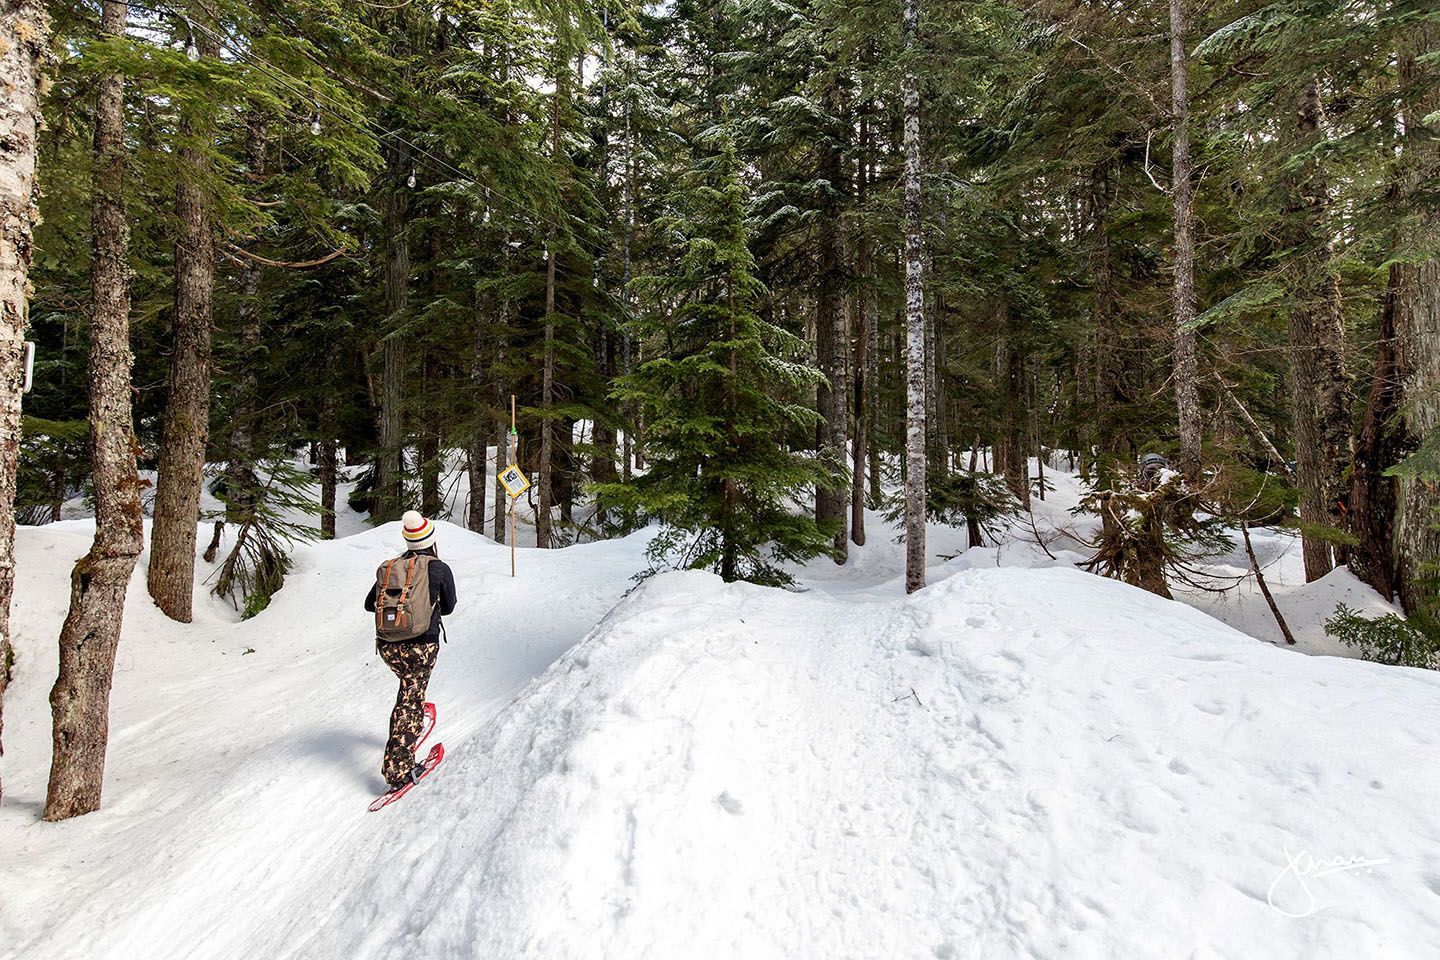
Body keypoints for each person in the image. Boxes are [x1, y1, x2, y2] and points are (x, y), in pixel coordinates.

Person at [364, 510, 458, 789]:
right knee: (410, 698)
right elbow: (450, 607)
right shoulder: (438, 568)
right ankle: (398, 770)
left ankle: (412, 713)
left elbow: (370, 604)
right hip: (421, 645)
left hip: (388, 647)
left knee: (408, 687)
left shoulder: (391, 568)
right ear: (431, 539)